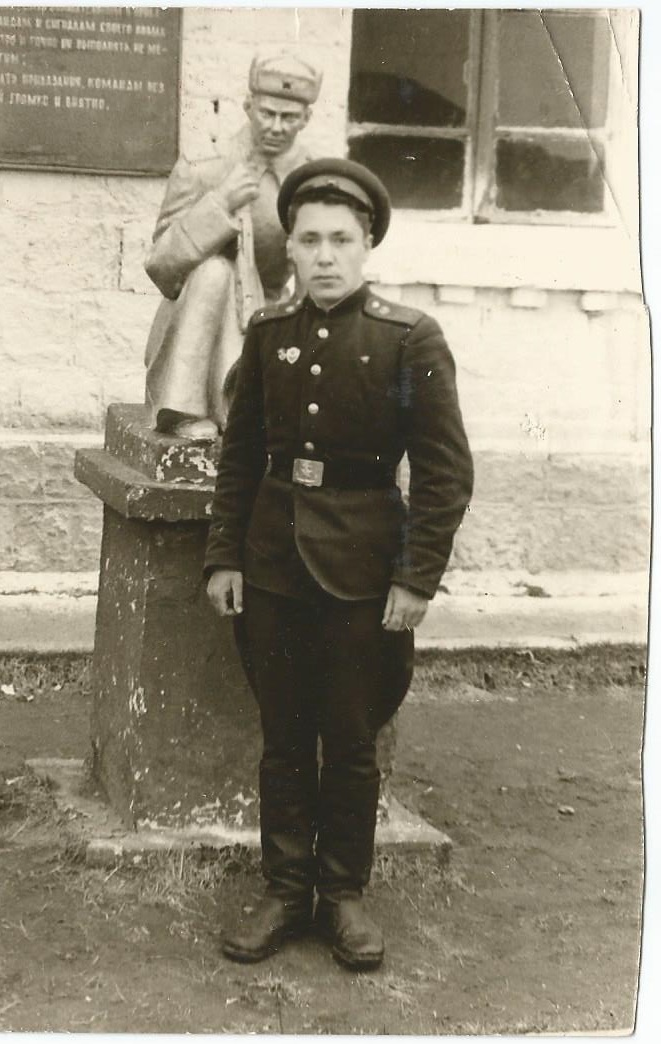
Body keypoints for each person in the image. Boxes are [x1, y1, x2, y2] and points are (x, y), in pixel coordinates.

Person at [204, 158, 474, 970]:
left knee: (352, 741)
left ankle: (344, 894)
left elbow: (444, 472)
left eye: (341, 240)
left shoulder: (408, 338)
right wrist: (224, 557)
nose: (324, 256)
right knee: (284, 738)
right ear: (289, 248)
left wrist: (415, 578)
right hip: (274, 566)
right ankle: (286, 891)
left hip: (364, 571)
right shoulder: (267, 334)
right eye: (310, 240)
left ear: (367, 246)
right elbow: (241, 456)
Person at [144, 53, 322, 438]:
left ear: (306, 119)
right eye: (267, 113)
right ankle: (183, 407)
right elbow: (160, 266)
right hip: (199, 326)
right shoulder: (206, 167)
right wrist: (219, 203)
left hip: (270, 318)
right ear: (248, 106)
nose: (276, 126)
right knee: (214, 271)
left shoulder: (313, 180)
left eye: (289, 117)